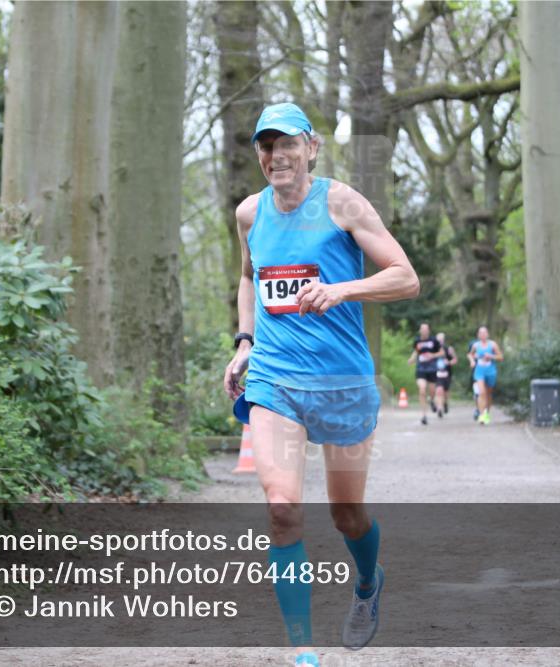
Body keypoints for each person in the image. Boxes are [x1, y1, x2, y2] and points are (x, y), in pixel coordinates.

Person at [222, 102, 419, 667]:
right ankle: (303, 651)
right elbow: (248, 278)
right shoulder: (249, 213)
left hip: (341, 381)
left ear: (312, 147)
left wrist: (342, 290)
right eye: (266, 145)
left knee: (345, 512)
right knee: (282, 506)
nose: (276, 155)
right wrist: (245, 342)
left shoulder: (341, 202)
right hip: (275, 380)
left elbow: (405, 277)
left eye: (288, 144)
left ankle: (366, 581)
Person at [406, 322, 442, 425]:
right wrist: (412, 359)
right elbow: (416, 351)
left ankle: (431, 400)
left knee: (432, 392)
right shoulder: (417, 341)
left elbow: (442, 352)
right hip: (421, 369)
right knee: (422, 390)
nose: (424, 331)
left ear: (428, 331)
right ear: (420, 330)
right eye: (423, 329)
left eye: (426, 329)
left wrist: (432, 355)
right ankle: (424, 415)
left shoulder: (434, 341)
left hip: (432, 369)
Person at [467, 326, 503, 425]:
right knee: (481, 392)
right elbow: (470, 354)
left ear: (487, 334)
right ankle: (482, 415)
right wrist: (472, 361)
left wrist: (491, 356)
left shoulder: (493, 345)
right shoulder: (475, 345)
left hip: (490, 371)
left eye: (484, 333)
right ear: (478, 335)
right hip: (479, 371)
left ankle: (487, 413)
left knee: (488, 394)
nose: (482, 335)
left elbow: (500, 357)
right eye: (480, 333)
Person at [434, 332, 458, 416]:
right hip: (436, 374)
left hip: (446, 373)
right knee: (438, 391)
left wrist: (449, 362)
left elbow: (455, 360)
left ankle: (445, 403)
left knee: (445, 392)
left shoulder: (448, 349)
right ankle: (439, 408)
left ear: (443, 341)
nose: (440, 341)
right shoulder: (433, 350)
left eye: (441, 340)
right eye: (438, 340)